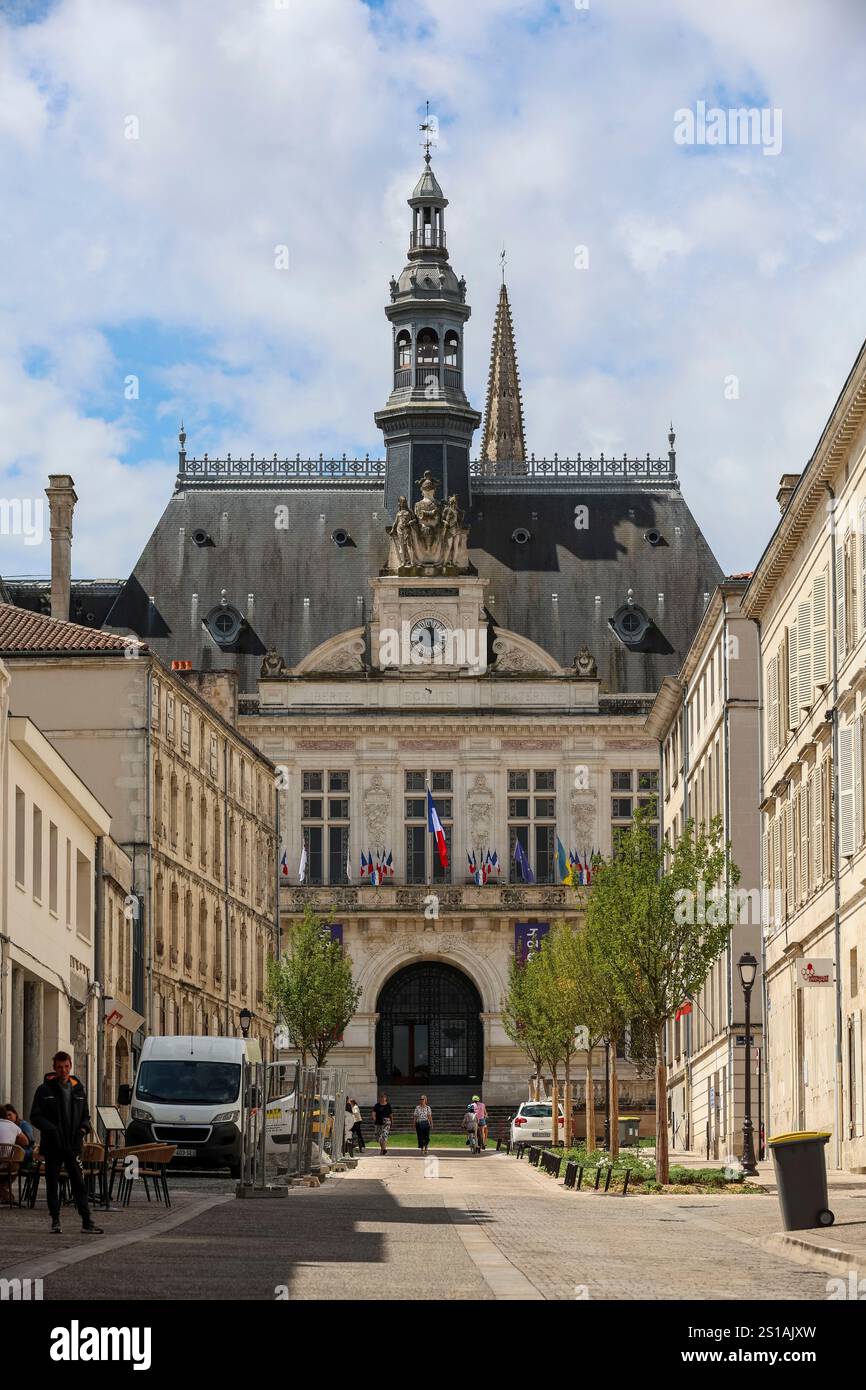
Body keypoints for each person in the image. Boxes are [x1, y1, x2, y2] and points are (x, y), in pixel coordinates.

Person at [30, 1051, 103, 1235]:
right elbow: (35, 1116)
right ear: (54, 1068)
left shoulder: (78, 1089)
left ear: (70, 1066)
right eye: (59, 1067)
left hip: (72, 1145)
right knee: (52, 1182)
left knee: (79, 1182)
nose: (63, 1070)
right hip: (53, 1145)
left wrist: (82, 1130)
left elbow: (85, 1116)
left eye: (66, 1066)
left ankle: (87, 1221)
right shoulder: (44, 1090)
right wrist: (51, 1129)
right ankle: (55, 1219)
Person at [0, 1107, 30, 1204]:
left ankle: (2, 1191)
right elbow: (26, 1142)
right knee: (16, 1167)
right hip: (8, 1164)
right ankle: (3, 1191)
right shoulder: (13, 1126)